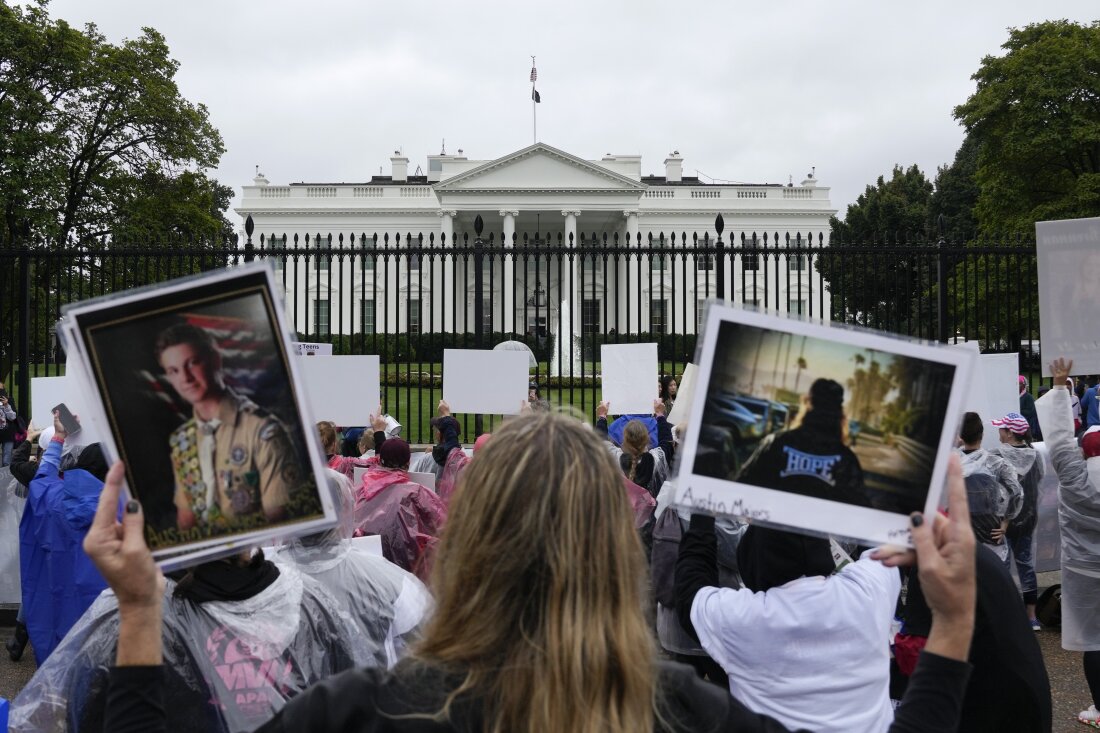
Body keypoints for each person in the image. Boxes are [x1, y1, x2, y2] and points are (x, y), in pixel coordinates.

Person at [87, 412, 977, 732]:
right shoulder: (686, 714)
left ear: (468, 540)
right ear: (613, 551)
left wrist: (139, 610)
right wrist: (951, 623)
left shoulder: (364, 710)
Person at [675, 501, 901, 731]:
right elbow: (886, 542)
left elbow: (691, 588)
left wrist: (702, 516)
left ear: (752, 559)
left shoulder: (744, 619)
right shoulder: (866, 591)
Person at [155, 322, 302, 533]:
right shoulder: (182, 439)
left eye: (193, 363)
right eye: (174, 370)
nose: (185, 378)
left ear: (215, 360)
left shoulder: (262, 430)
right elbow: (186, 519)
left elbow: (278, 518)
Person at [18, 410, 109, 665]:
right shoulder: (123, 511)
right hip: (103, 619)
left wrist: (58, 437)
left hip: (57, 610)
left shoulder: (54, 498)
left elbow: (42, 478)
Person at [1042, 358, 1100, 728]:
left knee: (1095, 640)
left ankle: (1099, 708)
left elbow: (1060, 438)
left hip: (1082, 569)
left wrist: (1061, 384)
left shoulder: (1073, 472)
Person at [736, 378, 869, 508]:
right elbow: (858, 510)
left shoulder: (776, 442)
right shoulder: (846, 460)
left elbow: (741, 487)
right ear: (839, 412)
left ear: (807, 404)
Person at [354, 437, 447, 581]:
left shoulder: (359, 492)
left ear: (379, 460)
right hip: (408, 577)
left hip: (365, 574)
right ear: (408, 463)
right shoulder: (418, 493)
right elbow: (447, 527)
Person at [989, 411, 1045, 630]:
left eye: (1002, 429)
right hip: (1028, 519)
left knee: (1001, 567)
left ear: (1010, 433)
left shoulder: (996, 456)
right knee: (1025, 564)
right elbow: (1038, 480)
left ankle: (1004, 614)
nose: (999, 433)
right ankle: (1031, 616)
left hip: (1001, 521)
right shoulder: (1035, 455)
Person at [956, 412, 1023, 563]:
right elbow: (1017, 493)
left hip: (961, 537)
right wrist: (1005, 523)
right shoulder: (997, 463)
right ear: (982, 434)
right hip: (992, 536)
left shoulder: (951, 464)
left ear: (961, 436)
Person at [596, 399, 673, 498]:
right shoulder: (657, 459)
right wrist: (660, 415)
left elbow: (599, 441)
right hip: (650, 512)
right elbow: (666, 441)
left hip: (622, 511)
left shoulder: (615, 458)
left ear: (624, 439)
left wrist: (602, 416)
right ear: (647, 439)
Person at [1019, 375, 1042, 441]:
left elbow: (1031, 412)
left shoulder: (1028, 397)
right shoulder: (1015, 396)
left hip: (1028, 425)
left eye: (1019, 384)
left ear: (1024, 385)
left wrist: (1018, 411)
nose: (1018, 386)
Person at [0, 384, 18, 466]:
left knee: (6, 461)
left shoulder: (9, 400)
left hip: (8, 434)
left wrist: (6, 405)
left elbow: (13, 417)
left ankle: (5, 478)